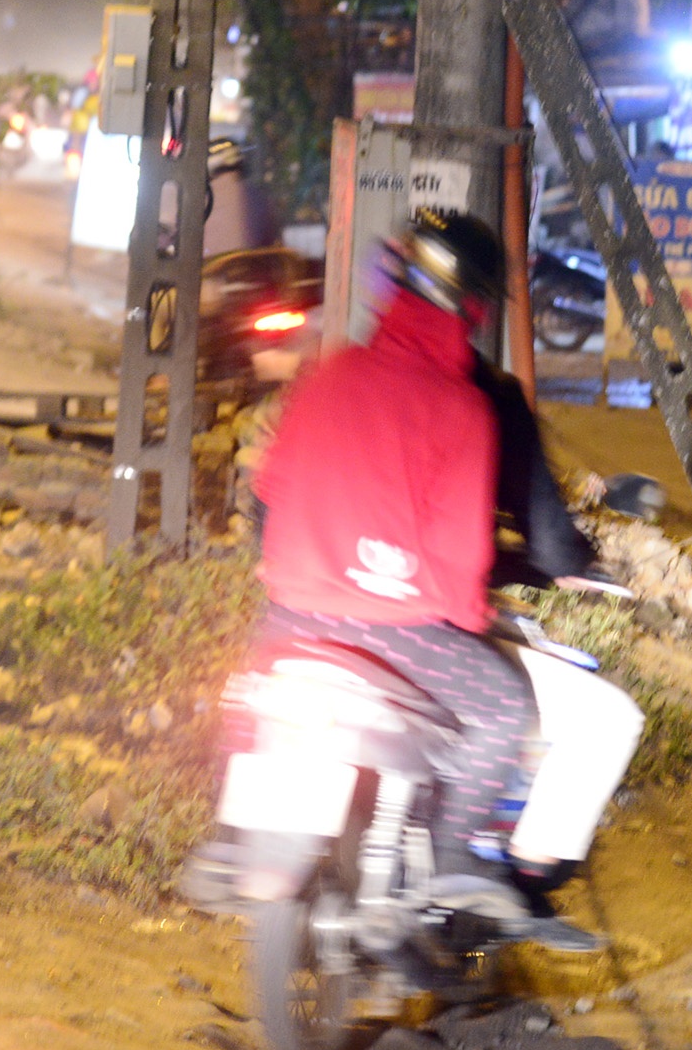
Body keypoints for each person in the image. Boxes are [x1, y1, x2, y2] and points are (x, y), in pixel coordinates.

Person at [251, 210, 610, 952]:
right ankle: (451, 859)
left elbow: (268, 497)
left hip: (290, 620)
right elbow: (459, 553)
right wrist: (465, 616)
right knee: (504, 710)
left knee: (246, 698)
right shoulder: (467, 405)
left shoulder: (329, 372)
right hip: (401, 630)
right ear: (474, 308)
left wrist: (297, 574)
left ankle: (239, 833)